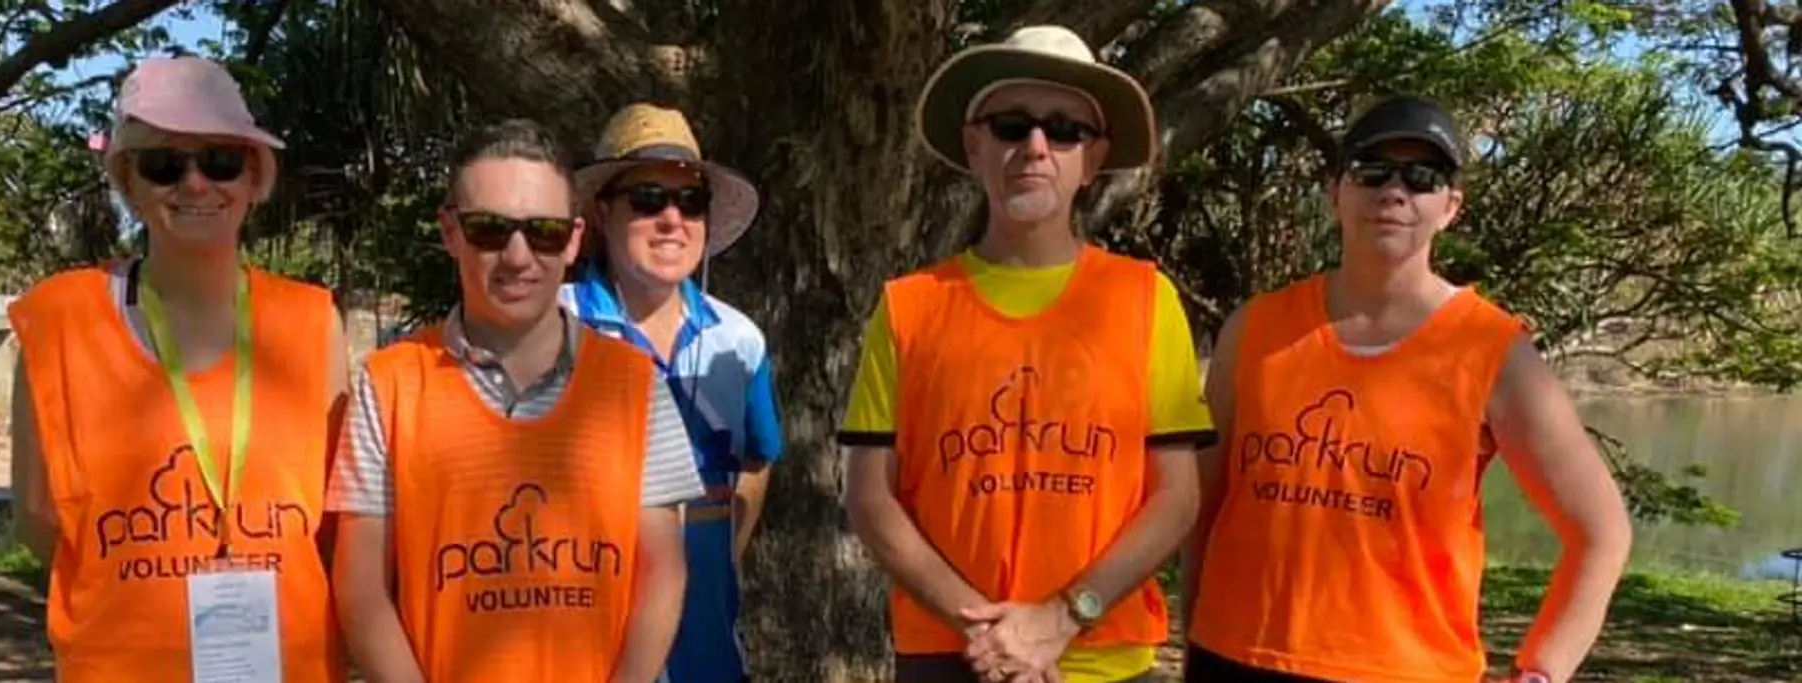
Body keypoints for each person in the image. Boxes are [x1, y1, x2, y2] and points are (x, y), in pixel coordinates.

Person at [1179, 96, 1635, 683]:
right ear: (1334, 193)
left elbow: (1601, 532)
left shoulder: (1493, 351)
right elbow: (1202, 510)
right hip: (1235, 658)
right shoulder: (1255, 329)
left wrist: (1543, 670)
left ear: (1451, 207)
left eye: (1423, 178)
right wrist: (1194, 633)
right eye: (1372, 171)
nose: (1394, 191)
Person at [838, 25, 1213, 683]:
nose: (1035, 147)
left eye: (1064, 130)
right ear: (974, 144)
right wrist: (989, 628)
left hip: (1100, 656)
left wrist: (1061, 619)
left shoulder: (1146, 298)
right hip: (950, 654)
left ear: (1092, 160)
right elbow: (871, 495)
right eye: (1012, 125)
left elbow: (1177, 495)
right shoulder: (908, 307)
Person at [6, 56, 349, 683]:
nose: (195, 185)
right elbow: (37, 519)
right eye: (165, 165)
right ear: (128, 182)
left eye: (220, 160)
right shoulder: (60, 320)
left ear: (253, 175)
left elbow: (334, 526)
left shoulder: (313, 321)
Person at [327, 118, 706, 683]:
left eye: (544, 231)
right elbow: (360, 589)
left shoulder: (635, 385)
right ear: (450, 231)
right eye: (489, 229)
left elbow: (663, 572)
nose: (518, 255)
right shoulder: (388, 384)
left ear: (575, 240)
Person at [563, 102, 784, 683]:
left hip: (709, 657)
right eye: (647, 199)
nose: (671, 218)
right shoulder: (552, 332)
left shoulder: (741, 341)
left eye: (690, 201)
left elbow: (758, 457)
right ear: (602, 213)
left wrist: (726, 554)